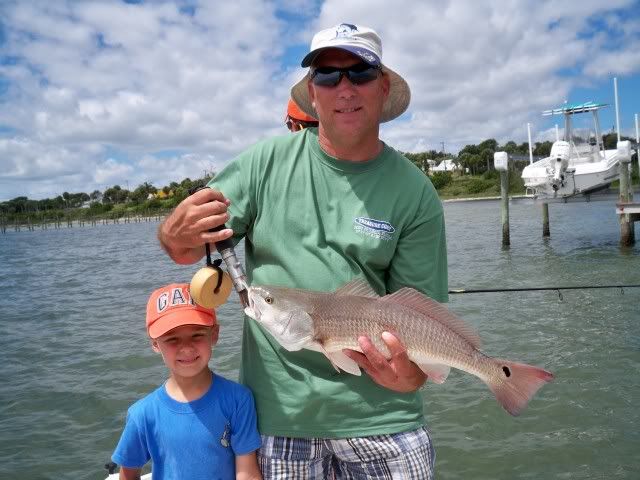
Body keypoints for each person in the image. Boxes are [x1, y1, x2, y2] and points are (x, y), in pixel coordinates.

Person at [157, 23, 447, 479]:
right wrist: (174, 232)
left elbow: (422, 322)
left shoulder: (415, 193)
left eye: (360, 73)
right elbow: (183, 251)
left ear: (383, 85)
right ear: (313, 92)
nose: (344, 88)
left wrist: (409, 375)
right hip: (278, 422)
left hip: (384, 419)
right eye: (328, 76)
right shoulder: (263, 164)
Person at [111, 283, 262, 480]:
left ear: (214, 334)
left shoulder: (239, 400)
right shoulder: (142, 414)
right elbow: (128, 474)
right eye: (172, 339)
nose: (186, 348)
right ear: (155, 344)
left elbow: (247, 474)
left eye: (197, 335)